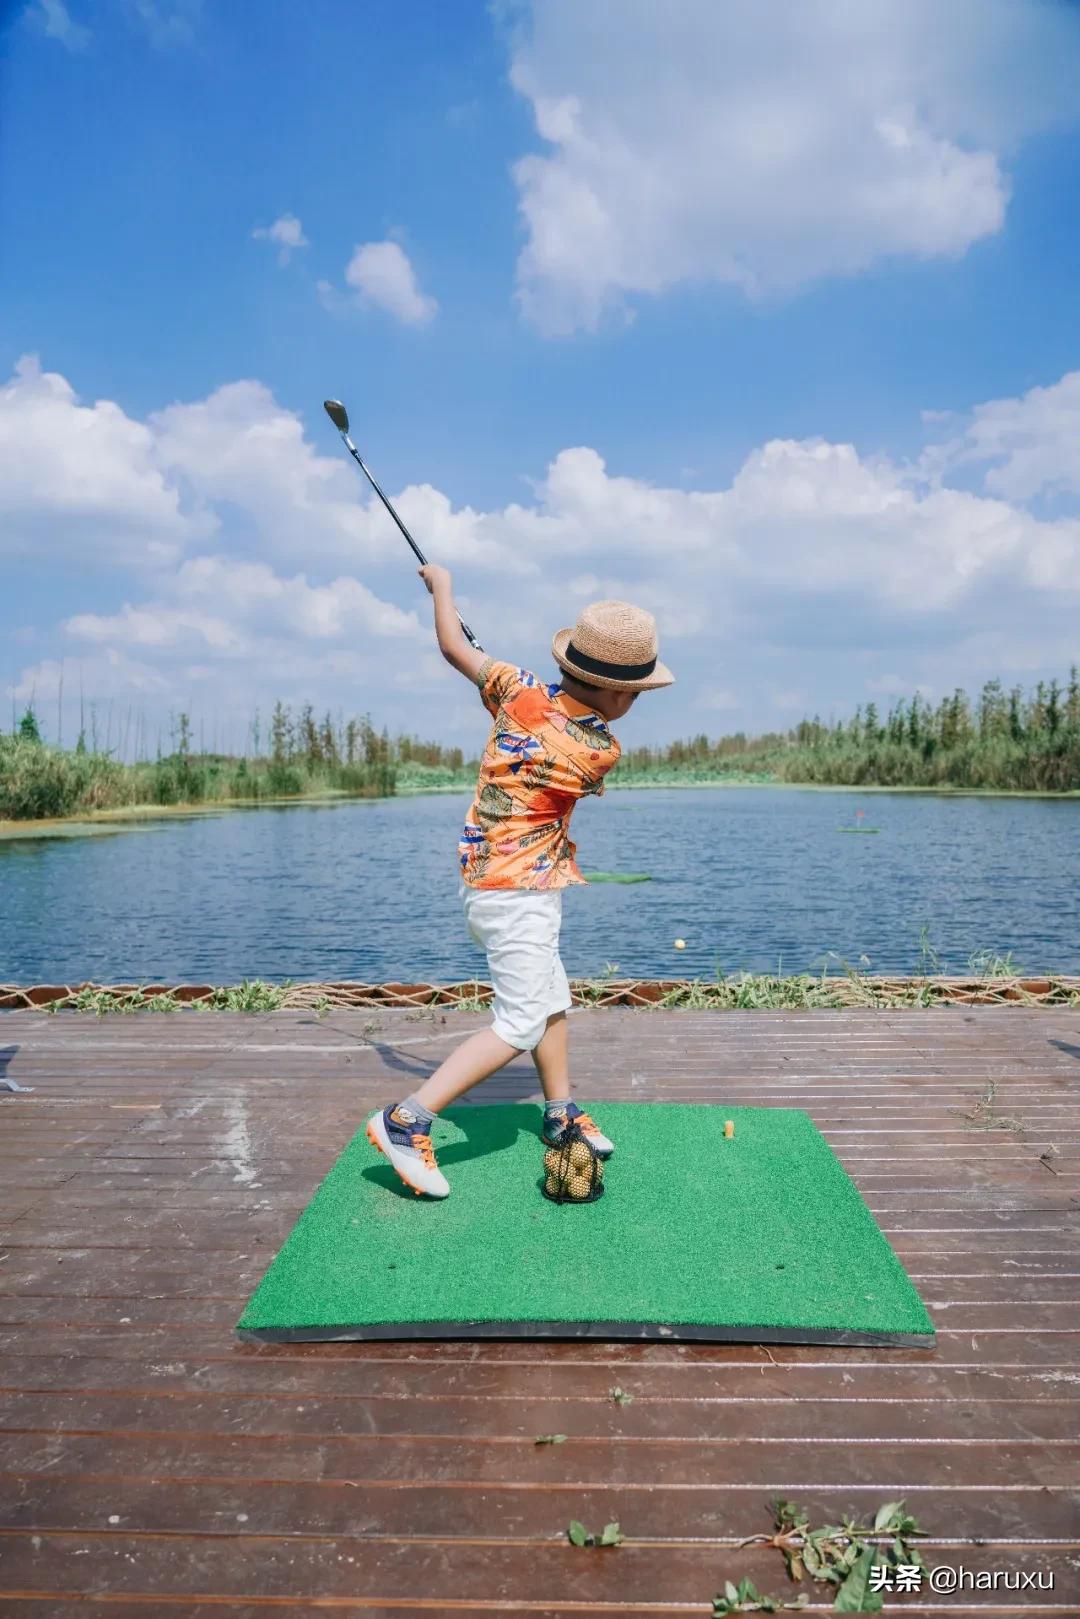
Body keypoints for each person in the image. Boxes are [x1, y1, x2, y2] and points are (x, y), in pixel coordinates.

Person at [366, 563, 674, 1197]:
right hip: (519, 895)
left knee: (550, 996)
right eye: (637, 692)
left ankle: (560, 1113)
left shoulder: (515, 687)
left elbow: (455, 647)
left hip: (488, 879)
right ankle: (407, 1120)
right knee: (520, 1021)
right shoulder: (598, 750)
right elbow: (571, 732)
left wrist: (442, 586)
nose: (636, 703)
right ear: (618, 695)